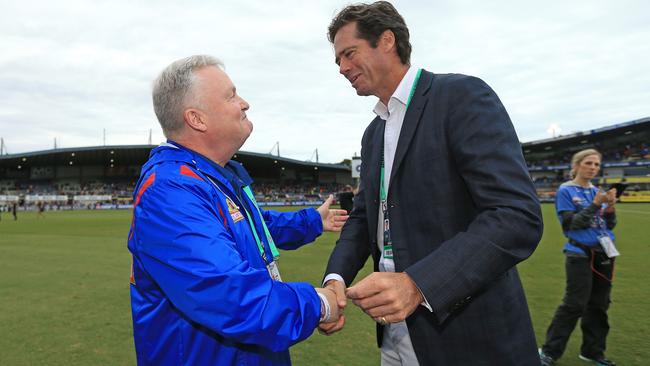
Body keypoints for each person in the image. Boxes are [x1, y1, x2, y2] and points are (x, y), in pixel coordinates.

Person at [319, 2, 543, 365]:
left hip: (467, 335)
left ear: (387, 40)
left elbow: (515, 216)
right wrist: (335, 280)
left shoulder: (460, 97)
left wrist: (417, 284)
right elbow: (363, 218)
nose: (342, 68)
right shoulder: (373, 133)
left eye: (349, 53)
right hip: (395, 337)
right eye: (338, 61)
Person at [128, 55, 349, 365]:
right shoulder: (170, 190)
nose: (244, 103)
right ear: (197, 119)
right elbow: (229, 295)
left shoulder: (214, 175)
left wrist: (312, 220)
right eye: (231, 95)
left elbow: (249, 227)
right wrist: (317, 303)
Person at [539, 149, 618, 366]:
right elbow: (571, 224)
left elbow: (608, 225)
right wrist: (595, 205)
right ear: (576, 166)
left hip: (605, 253)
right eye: (588, 163)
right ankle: (549, 352)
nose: (593, 167)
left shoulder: (598, 191)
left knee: (599, 305)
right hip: (579, 253)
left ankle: (593, 352)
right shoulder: (566, 191)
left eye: (596, 164)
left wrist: (610, 207)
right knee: (574, 304)